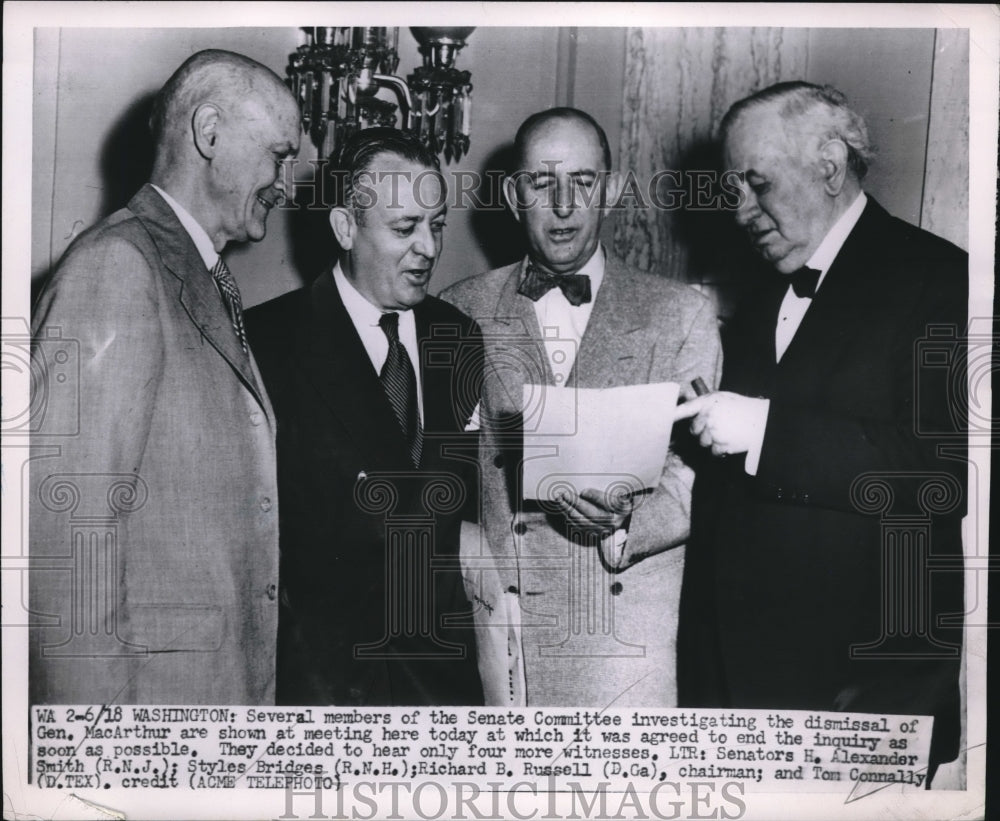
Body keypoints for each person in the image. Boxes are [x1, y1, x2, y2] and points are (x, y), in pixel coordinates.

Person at [674, 82, 967, 775]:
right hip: (738, 692)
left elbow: (941, 474)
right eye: (733, 188)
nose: (742, 210)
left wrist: (766, 432)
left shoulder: (939, 278)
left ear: (829, 166)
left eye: (757, 183)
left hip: (859, 692)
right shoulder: (763, 292)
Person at [29, 49, 301, 704]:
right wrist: (99, 766)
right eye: (280, 155)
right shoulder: (117, 269)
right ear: (209, 133)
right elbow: (67, 554)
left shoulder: (205, 277)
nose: (288, 184)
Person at [442, 108, 722, 706]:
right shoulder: (459, 309)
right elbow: (443, 471)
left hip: (627, 635)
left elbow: (700, 472)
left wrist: (628, 524)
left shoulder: (680, 313)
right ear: (516, 196)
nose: (565, 205)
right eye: (543, 184)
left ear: (613, 190)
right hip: (507, 633)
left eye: (584, 182)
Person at [245, 128, 484, 706]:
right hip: (320, 689)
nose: (428, 248)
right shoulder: (266, 342)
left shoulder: (458, 337)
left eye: (437, 224)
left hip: (440, 690)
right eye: (405, 228)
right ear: (345, 228)